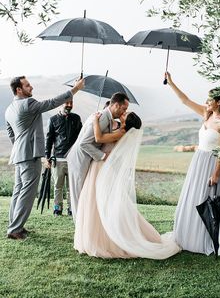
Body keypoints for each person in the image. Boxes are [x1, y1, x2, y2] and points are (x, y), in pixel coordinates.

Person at [74, 111, 181, 259]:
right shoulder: (122, 132)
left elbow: (99, 138)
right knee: (98, 203)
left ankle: (104, 240)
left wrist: (95, 122)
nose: (123, 114)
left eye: (125, 114)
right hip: (102, 167)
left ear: (126, 121)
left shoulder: (120, 133)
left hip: (101, 167)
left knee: (96, 203)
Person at [5, 76, 84, 240]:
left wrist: (21, 146)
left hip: (19, 154)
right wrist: (74, 90)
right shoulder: (28, 103)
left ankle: (15, 225)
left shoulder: (9, 109)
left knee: (18, 191)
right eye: (27, 85)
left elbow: (12, 134)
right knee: (27, 192)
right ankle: (15, 230)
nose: (31, 87)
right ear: (19, 90)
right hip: (30, 154)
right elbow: (51, 103)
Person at [165, 72, 220, 255]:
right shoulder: (205, 114)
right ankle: (187, 236)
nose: (206, 103)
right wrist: (171, 82)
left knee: (205, 200)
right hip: (198, 161)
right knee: (192, 197)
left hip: (210, 164)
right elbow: (185, 100)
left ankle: (203, 239)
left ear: (219, 102)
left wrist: (216, 174)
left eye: (210, 100)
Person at [67, 92, 130, 221]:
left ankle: (83, 225)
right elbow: (84, 143)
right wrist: (102, 156)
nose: (124, 112)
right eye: (124, 108)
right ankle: (80, 227)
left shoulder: (106, 117)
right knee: (79, 194)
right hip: (80, 159)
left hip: (85, 159)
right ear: (116, 105)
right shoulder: (103, 118)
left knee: (84, 194)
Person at [45, 99, 82, 216]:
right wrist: (47, 157)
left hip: (73, 159)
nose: (70, 105)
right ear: (61, 104)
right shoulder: (53, 119)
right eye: (67, 103)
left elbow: (81, 138)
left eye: (71, 103)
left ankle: (72, 209)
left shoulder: (76, 118)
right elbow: (49, 139)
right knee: (57, 186)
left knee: (71, 187)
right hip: (58, 159)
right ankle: (57, 209)